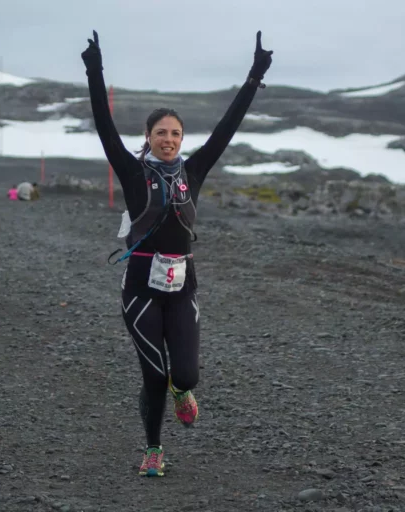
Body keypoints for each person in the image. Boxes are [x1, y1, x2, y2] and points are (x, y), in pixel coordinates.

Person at [81, 29, 273, 477]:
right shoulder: (132, 172)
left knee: (184, 376)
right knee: (154, 374)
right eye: (161, 133)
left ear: (183, 138)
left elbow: (228, 126)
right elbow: (103, 124)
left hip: (182, 286)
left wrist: (254, 76)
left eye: (176, 133)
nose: (169, 139)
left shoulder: (195, 170)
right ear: (147, 136)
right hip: (140, 292)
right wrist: (95, 70)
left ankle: (182, 390)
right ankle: (153, 449)